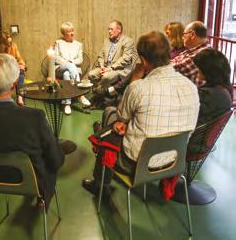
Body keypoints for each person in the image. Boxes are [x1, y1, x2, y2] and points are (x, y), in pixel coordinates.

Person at [83, 31, 200, 195]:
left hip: (138, 164)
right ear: (169, 54)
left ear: (144, 61)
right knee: (114, 123)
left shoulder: (139, 87)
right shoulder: (191, 87)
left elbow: (122, 117)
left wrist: (136, 78)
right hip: (175, 161)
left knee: (109, 131)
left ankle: (100, 185)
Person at [0, 53, 64, 206]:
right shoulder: (35, 118)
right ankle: (41, 199)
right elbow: (55, 160)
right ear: (15, 83)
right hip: (32, 183)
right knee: (52, 154)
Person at [52, 21, 91, 114]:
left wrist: (71, 63)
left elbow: (80, 60)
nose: (72, 33)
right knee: (67, 68)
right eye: (69, 31)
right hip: (60, 68)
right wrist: (67, 63)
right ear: (64, 33)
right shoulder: (58, 43)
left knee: (67, 74)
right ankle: (80, 95)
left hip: (74, 70)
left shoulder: (78, 44)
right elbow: (56, 58)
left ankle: (67, 104)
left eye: (72, 30)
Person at [88, 20, 137, 91]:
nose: (109, 31)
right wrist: (102, 67)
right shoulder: (106, 41)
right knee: (91, 74)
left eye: (111, 29)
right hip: (105, 67)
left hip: (120, 69)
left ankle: (99, 92)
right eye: (108, 29)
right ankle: (103, 91)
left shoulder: (128, 41)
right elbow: (101, 56)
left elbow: (125, 59)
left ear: (119, 30)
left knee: (106, 77)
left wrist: (110, 68)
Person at [194, 49, 232, 126]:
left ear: (208, 71)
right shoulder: (224, 89)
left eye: (198, 67)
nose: (196, 70)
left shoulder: (207, 95)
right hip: (206, 134)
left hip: (194, 135)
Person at [171, 21, 211, 86]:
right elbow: (174, 61)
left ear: (192, 35)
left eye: (184, 34)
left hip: (198, 94)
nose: (182, 37)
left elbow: (172, 68)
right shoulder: (193, 48)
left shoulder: (204, 52)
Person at [0, 31, 26, 106]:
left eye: (10, 42)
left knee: (21, 74)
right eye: (7, 43)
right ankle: (18, 99)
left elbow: (19, 58)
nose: (9, 45)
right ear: (0, 43)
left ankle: (20, 98)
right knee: (18, 75)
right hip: (2, 73)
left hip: (14, 70)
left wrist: (21, 65)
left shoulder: (13, 46)